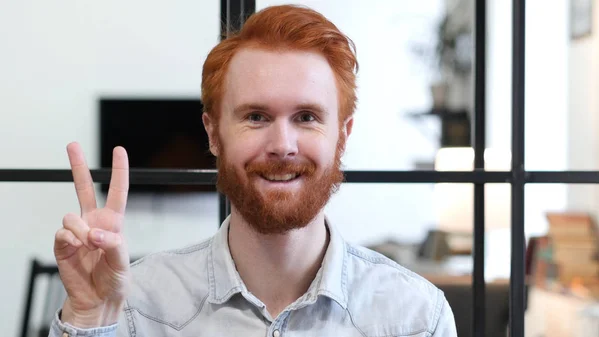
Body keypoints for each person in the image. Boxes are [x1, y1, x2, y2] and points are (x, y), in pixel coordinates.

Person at [50, 4, 457, 337]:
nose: (282, 145)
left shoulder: (415, 317)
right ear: (212, 133)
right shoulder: (136, 305)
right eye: (257, 116)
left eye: (307, 116)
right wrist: (89, 318)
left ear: (343, 135)